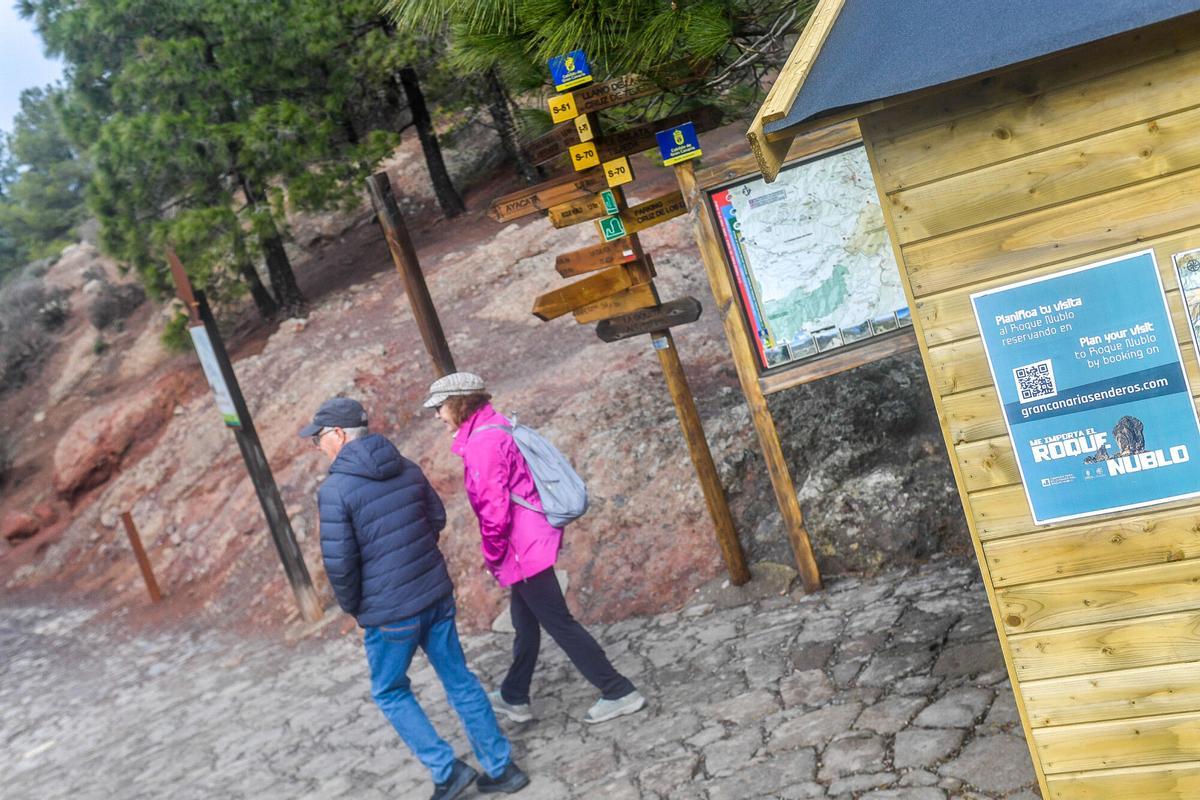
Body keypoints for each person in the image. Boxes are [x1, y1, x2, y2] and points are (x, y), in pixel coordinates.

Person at [301, 396, 529, 799]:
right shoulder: (405, 466)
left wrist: (357, 608)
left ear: (338, 434)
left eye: (319, 437)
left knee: (389, 690)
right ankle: (502, 768)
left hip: (389, 612)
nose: (317, 445)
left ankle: (446, 771)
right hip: (434, 594)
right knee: (460, 680)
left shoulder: (336, 490)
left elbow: (340, 565)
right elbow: (436, 518)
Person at [423, 372, 646, 725]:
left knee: (559, 622)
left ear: (458, 403)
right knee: (525, 621)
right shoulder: (496, 425)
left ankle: (618, 690)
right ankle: (515, 695)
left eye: (439, 407)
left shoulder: (482, 443)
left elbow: (493, 510)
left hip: (520, 548)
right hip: (530, 539)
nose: (437, 415)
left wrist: (493, 554)